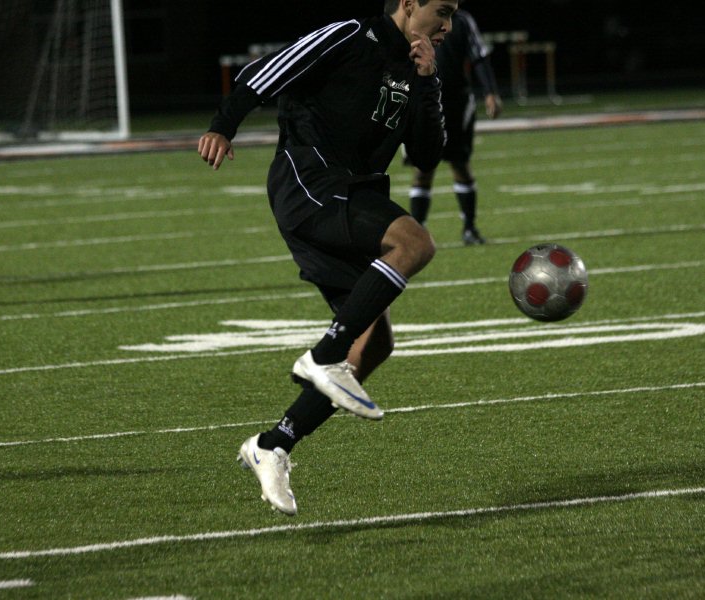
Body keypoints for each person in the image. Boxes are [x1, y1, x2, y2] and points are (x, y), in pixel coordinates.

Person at [198, 0, 457, 515]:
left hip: (352, 194)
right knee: (414, 243)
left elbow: (427, 157)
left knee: (375, 343)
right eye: (441, 12)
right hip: (308, 182)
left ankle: (274, 444)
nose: (447, 26)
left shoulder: (414, 69)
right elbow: (265, 72)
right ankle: (320, 358)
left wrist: (428, 81)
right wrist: (223, 125)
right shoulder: (349, 35)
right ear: (407, 5)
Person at [407, 4, 503, 245]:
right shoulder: (415, 20)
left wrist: (490, 91)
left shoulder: (461, 21)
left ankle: (469, 229)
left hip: (456, 102)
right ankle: (415, 234)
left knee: (460, 164)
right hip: (421, 100)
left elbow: (479, 56)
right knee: (422, 169)